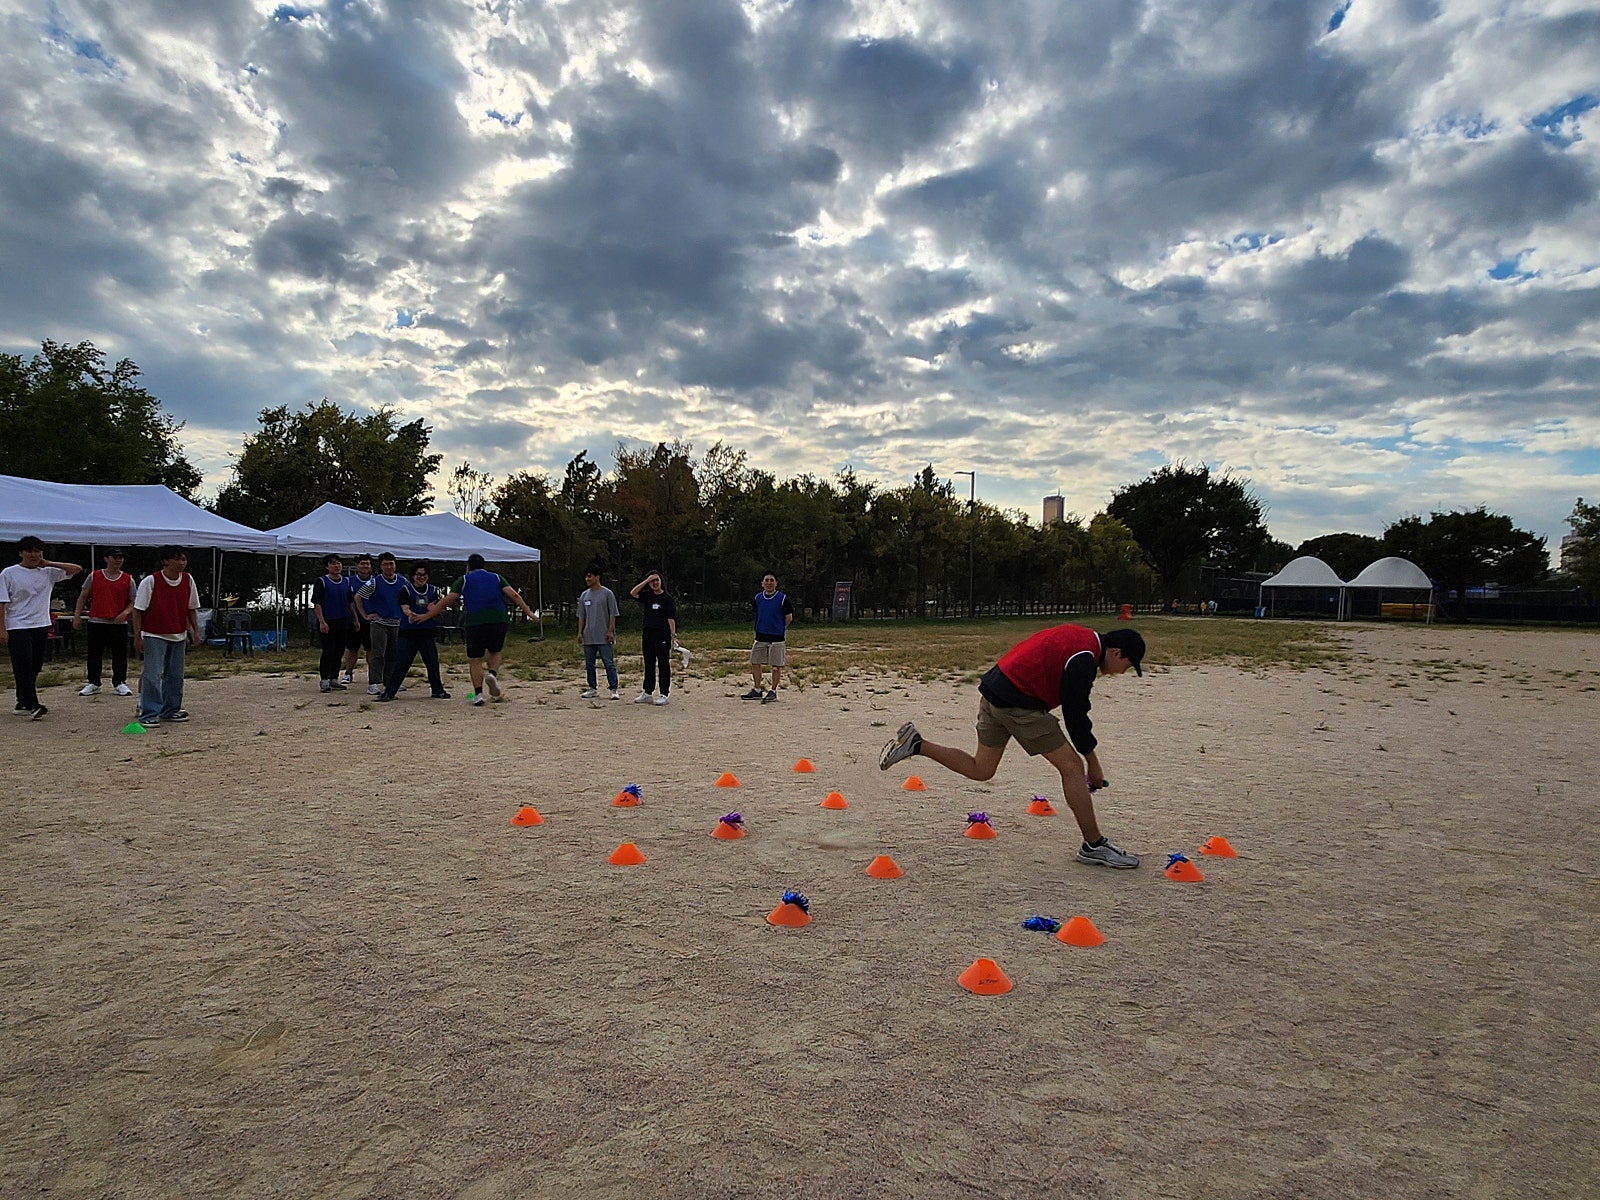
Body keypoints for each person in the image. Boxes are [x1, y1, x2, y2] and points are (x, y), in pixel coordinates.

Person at [879, 624, 1147, 869]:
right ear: (1116, 652)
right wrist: (1093, 763)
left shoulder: (1078, 636)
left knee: (982, 768)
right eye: (1127, 665)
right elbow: (1076, 715)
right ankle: (1094, 845)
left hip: (994, 690)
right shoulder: (1084, 658)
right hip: (1018, 703)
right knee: (1073, 767)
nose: (1121, 672)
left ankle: (916, 744)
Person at [0, 536, 83, 719]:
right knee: (23, 663)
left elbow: (76, 569)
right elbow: (2, 603)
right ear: (21, 553)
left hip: (41, 623)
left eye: (37, 551)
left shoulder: (48, 571)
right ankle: (32, 703)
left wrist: (47, 562)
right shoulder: (9, 573)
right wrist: (2, 628)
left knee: (36, 664)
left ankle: (22, 701)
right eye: (29, 551)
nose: (33, 555)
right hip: (17, 624)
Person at [449, 554, 537, 706]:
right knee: (495, 651)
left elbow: (448, 600)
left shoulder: (464, 579)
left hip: (475, 621)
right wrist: (528, 612)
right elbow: (514, 595)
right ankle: (492, 674)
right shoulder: (497, 577)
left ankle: (478, 694)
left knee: (475, 658)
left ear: (468, 566)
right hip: (498, 619)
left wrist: (427, 615)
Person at [131, 545, 202, 726]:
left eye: (183, 559)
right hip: (155, 633)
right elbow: (138, 610)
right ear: (165, 561)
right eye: (177, 559)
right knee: (153, 675)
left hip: (177, 633)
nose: (181, 563)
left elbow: (190, 607)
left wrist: (194, 630)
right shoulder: (151, 581)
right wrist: (137, 636)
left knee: (175, 675)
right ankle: (148, 712)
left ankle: (171, 709)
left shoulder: (188, 580)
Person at [375, 563, 451, 702]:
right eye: (418, 575)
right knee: (401, 663)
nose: (421, 577)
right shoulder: (406, 590)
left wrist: (439, 611)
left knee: (432, 663)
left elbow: (438, 607)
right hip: (409, 632)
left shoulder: (433, 590)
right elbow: (405, 607)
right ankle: (389, 692)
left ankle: (438, 690)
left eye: (424, 575)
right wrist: (411, 615)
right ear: (413, 576)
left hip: (427, 632)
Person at [73, 548, 136, 697]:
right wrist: (77, 616)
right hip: (97, 620)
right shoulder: (94, 576)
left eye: (121, 557)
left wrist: (125, 612)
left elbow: (134, 600)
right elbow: (83, 596)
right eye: (115, 557)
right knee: (95, 653)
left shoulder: (128, 579)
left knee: (119, 654)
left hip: (118, 623)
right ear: (106, 559)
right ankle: (93, 682)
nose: (118, 560)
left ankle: (119, 682)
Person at [355, 552, 406, 696]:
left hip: (397, 623)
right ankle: (373, 682)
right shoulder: (374, 582)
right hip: (380, 623)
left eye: (391, 564)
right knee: (378, 654)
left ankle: (390, 682)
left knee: (393, 654)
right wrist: (365, 615)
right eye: (385, 564)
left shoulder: (402, 581)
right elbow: (358, 596)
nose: (389, 567)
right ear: (381, 566)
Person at [741, 571, 793, 703]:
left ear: (776, 583)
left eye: (772, 580)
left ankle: (773, 691)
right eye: (767, 580)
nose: (769, 583)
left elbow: (788, 617)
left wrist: (779, 628)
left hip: (776, 638)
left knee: (776, 665)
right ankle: (757, 689)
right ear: (762, 583)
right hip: (760, 636)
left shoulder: (782, 598)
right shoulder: (758, 598)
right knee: (755, 662)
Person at [628, 571, 678, 705]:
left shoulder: (667, 599)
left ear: (661, 581)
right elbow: (633, 593)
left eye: (656, 580)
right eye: (652, 581)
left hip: (662, 635)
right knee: (649, 663)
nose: (655, 583)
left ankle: (663, 694)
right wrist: (645, 581)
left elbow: (671, 618)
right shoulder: (648, 597)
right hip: (648, 634)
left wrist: (673, 635)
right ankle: (647, 692)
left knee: (663, 664)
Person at [312, 554, 358, 692]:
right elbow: (317, 604)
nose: (337, 566)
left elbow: (350, 602)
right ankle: (324, 679)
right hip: (327, 621)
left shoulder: (346, 582)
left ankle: (334, 678)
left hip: (342, 621)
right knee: (328, 651)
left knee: (339, 651)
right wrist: (322, 622)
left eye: (338, 563)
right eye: (333, 563)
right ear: (327, 566)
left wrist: (355, 619)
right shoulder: (322, 582)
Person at [576, 564, 621, 700]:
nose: (587, 579)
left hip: (603, 636)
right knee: (589, 663)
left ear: (597, 577)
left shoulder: (607, 594)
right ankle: (592, 688)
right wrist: (580, 633)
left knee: (609, 663)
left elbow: (613, 614)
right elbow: (581, 616)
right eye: (586, 576)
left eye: (590, 576)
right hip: (589, 635)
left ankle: (613, 688)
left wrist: (610, 631)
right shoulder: (584, 595)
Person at [341, 553, 374, 684]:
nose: (365, 566)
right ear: (356, 566)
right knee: (352, 648)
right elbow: (349, 600)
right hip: (353, 621)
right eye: (362, 564)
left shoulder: (375, 581)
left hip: (370, 621)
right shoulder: (349, 581)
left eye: (367, 564)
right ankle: (348, 672)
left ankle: (373, 674)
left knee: (371, 649)